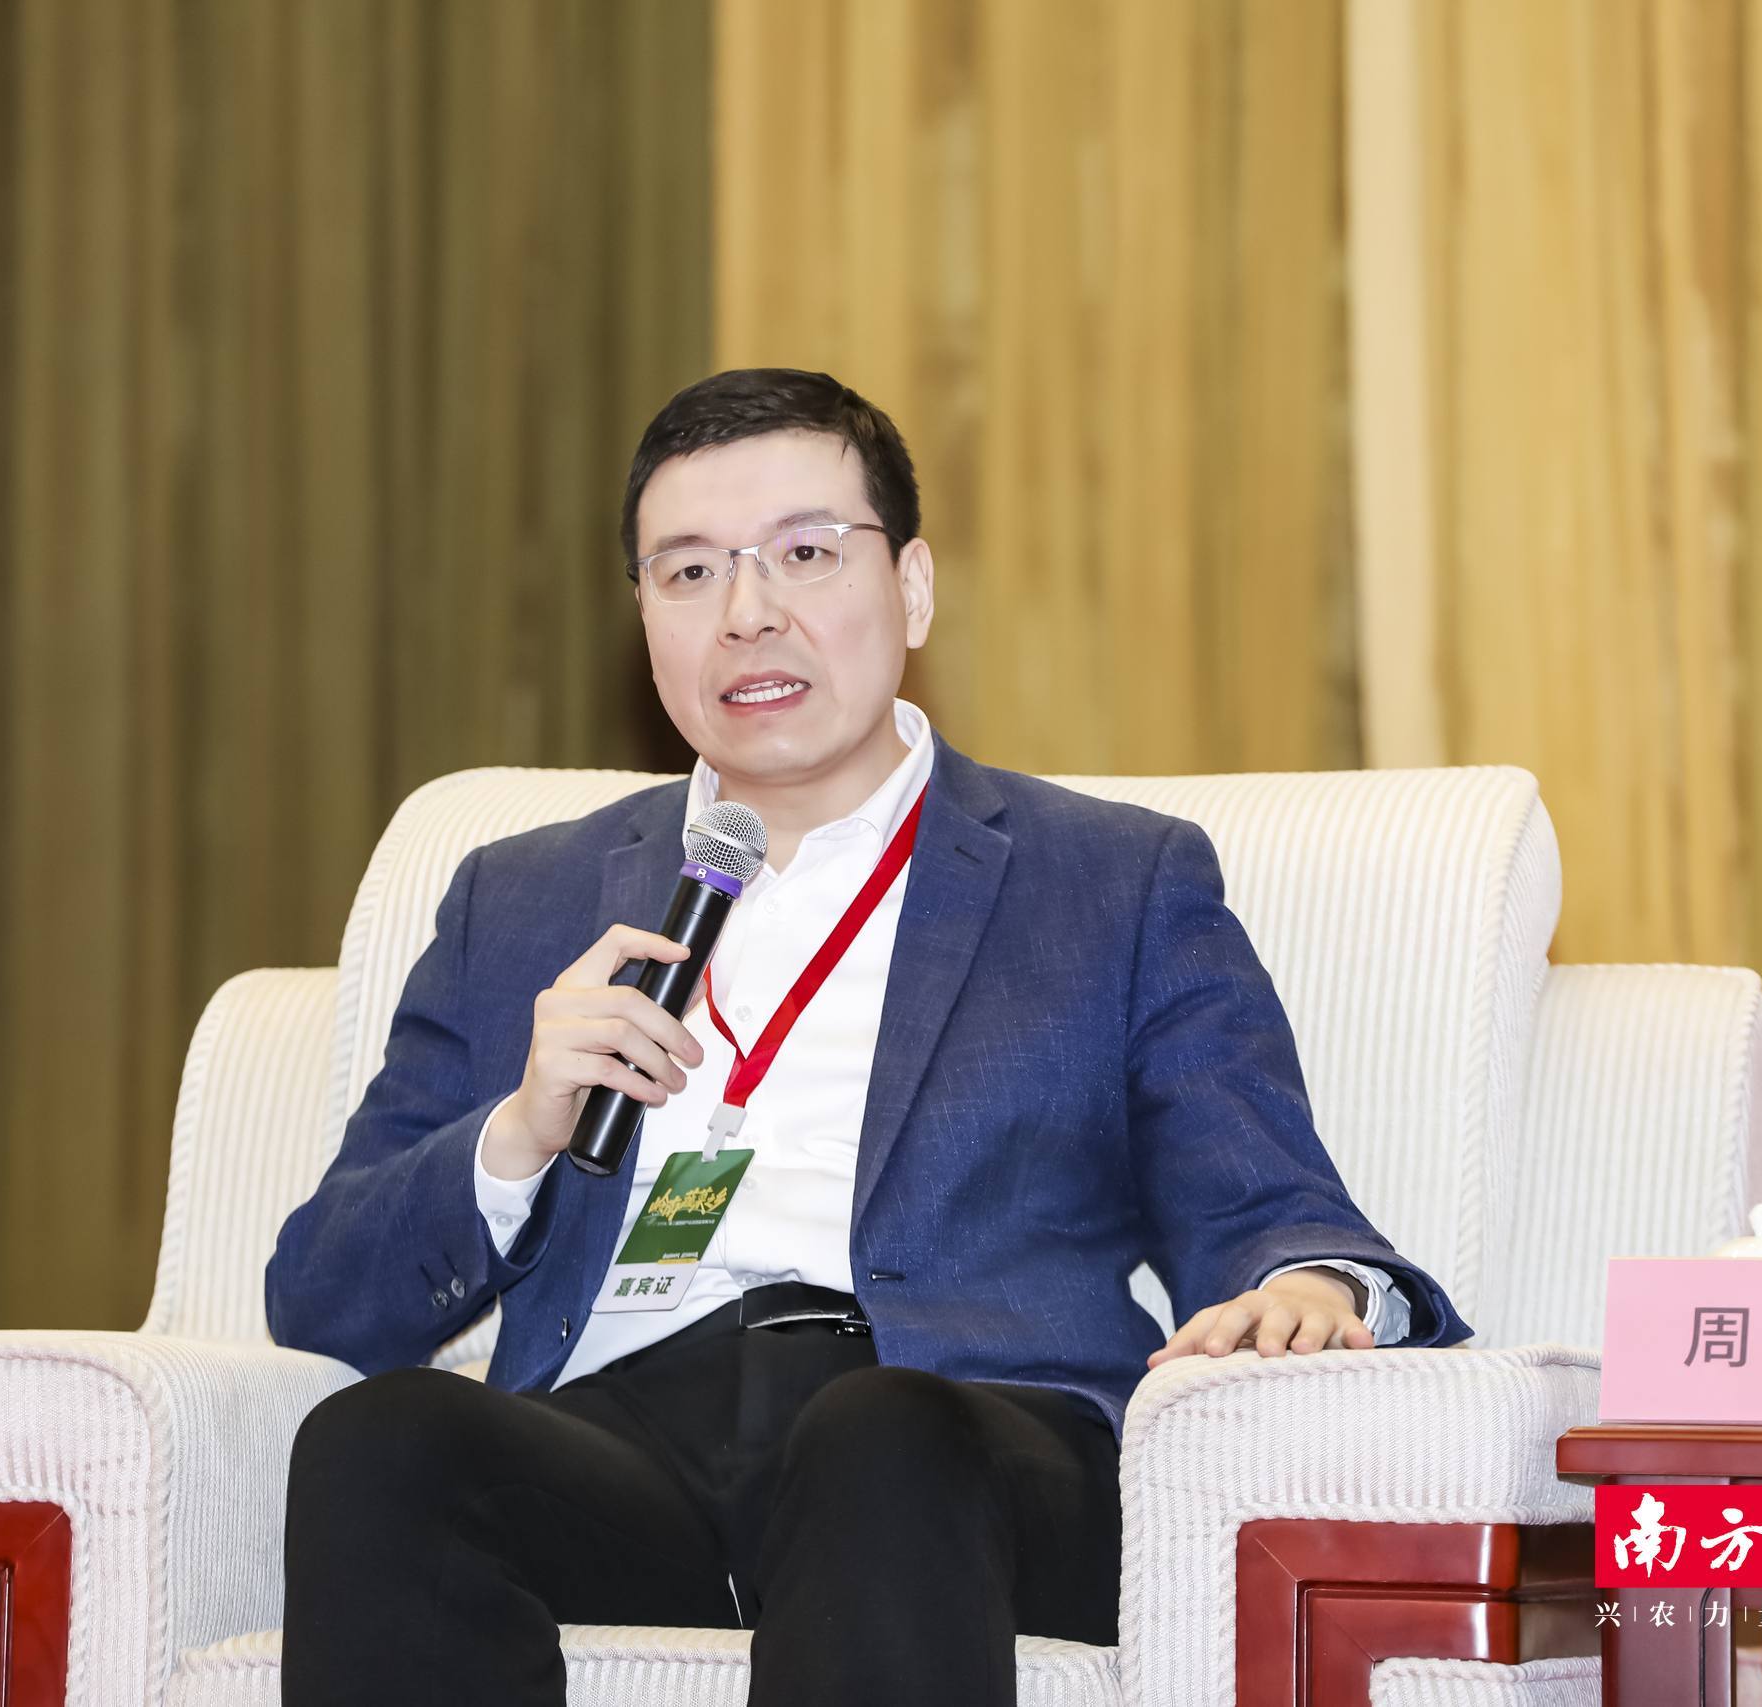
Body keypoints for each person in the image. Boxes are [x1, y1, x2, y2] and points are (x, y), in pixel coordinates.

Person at [267, 369, 1467, 1706]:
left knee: (874, 1435)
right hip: (627, 1439)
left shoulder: (1110, 882)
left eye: (805, 554)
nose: (747, 613)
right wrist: (515, 1135)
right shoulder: (520, 896)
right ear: (644, 619)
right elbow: (323, 1298)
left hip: (960, 1439)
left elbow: (1264, 1202)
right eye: (689, 572)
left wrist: (1315, 1286)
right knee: (386, 1440)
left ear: (913, 588)